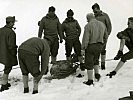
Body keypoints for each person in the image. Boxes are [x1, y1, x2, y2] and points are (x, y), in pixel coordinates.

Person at [82, 13, 108, 85]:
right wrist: (103, 44)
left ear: (88, 18)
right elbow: (106, 36)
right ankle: (97, 74)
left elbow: (86, 38)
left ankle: (90, 80)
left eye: (87, 19)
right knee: (96, 60)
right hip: (100, 45)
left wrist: (83, 48)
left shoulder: (88, 25)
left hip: (91, 46)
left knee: (89, 62)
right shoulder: (102, 24)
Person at [92, 3, 112, 70]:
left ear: (98, 8)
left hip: (104, 36)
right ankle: (96, 64)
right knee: (96, 50)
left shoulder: (105, 15)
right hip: (95, 37)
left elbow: (109, 25)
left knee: (103, 50)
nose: (94, 12)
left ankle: (103, 64)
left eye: (95, 11)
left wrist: (107, 34)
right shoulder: (93, 17)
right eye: (93, 11)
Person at [0, 16, 18, 92]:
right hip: (8, 53)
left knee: (6, 67)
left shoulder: (0, 30)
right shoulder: (11, 32)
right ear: (10, 23)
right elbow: (11, 46)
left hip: (1, 52)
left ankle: (5, 82)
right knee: (8, 68)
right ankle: (4, 85)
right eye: (13, 22)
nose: (14, 24)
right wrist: (14, 53)